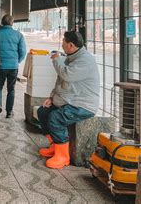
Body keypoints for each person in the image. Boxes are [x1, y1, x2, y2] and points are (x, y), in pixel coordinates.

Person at [37, 31, 99, 169]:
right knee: (43, 112)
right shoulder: (71, 57)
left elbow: (66, 75)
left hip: (83, 104)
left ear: (71, 45)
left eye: (63, 42)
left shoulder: (85, 60)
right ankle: (54, 145)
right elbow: (60, 81)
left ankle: (63, 156)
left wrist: (56, 59)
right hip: (70, 100)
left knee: (55, 117)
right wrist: (51, 98)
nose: (62, 44)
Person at [0, 14, 26, 119]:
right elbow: (23, 52)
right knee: (11, 89)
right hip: (13, 66)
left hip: (0, 65)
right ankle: (9, 112)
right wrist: (17, 61)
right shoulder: (18, 35)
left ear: (2, 22)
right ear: (12, 23)